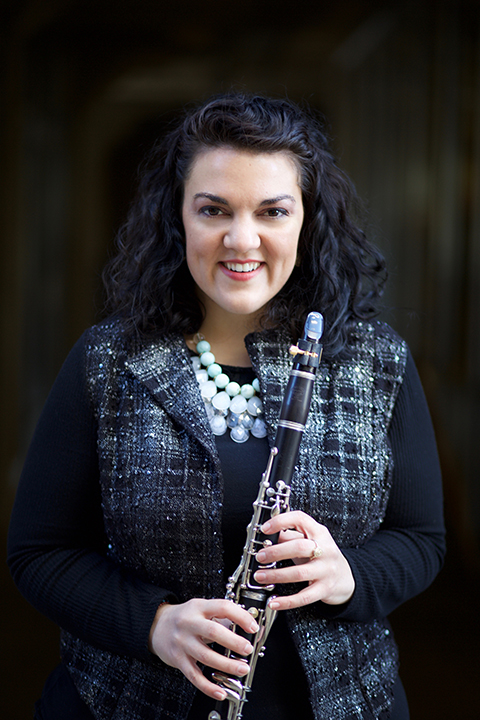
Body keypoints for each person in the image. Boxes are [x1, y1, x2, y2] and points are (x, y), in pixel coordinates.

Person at [8, 93, 445, 720]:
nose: (243, 240)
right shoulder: (107, 361)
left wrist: (349, 577)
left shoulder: (377, 362)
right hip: (127, 703)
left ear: (307, 220)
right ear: (178, 217)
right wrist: (153, 624)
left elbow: (420, 539)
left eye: (273, 211)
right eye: (214, 209)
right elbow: (39, 551)